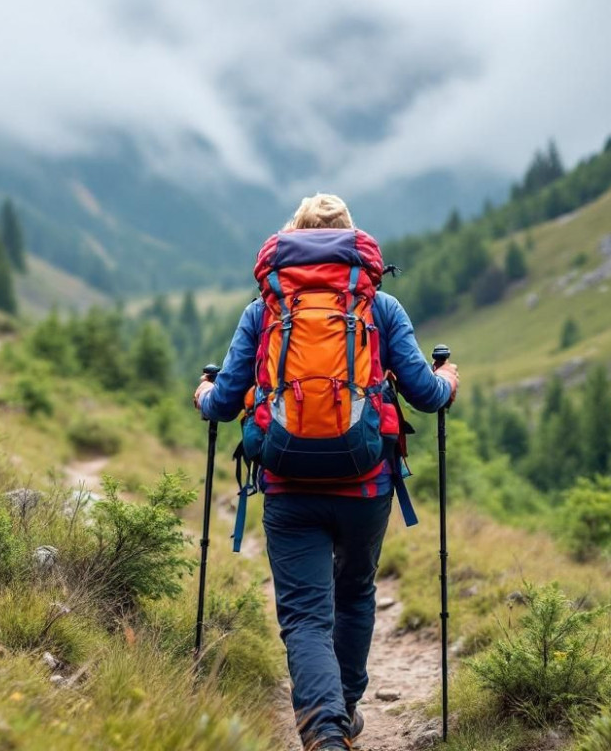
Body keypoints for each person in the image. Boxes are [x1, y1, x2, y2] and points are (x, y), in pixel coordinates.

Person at [193, 194, 458, 750]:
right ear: (352, 244)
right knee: (357, 591)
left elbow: (223, 403)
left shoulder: (265, 309)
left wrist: (204, 393)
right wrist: (450, 378)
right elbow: (427, 395)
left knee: (306, 617)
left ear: (291, 240)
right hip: (366, 483)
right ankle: (348, 705)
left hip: (288, 483)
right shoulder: (379, 307)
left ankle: (324, 731)